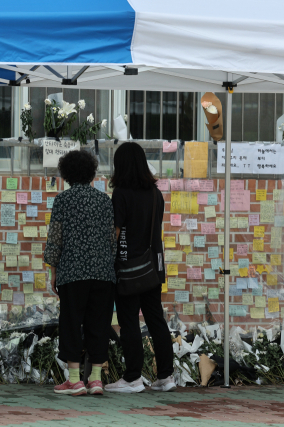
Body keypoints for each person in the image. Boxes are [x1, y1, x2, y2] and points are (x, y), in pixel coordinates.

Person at [105, 142, 176, 393]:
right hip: (153, 267)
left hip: (128, 269)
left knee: (129, 321)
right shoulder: (156, 194)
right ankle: (166, 376)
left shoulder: (122, 193)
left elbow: (115, 234)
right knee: (156, 319)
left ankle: (133, 377)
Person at [44, 150, 116, 396]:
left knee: (72, 323)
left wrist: (53, 271)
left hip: (72, 272)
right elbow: (111, 241)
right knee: (99, 324)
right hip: (103, 273)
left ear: (66, 174)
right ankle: (95, 379)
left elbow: (55, 240)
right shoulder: (104, 200)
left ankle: (74, 380)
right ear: (91, 173)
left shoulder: (62, 201)